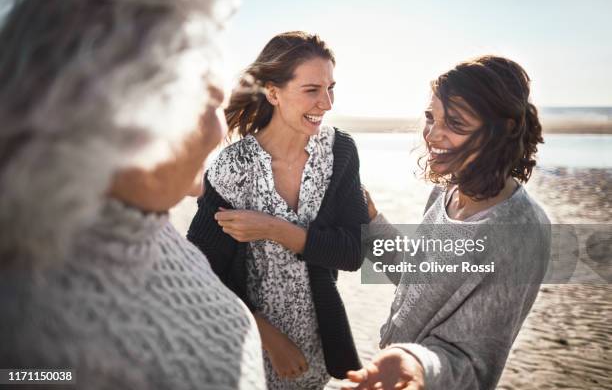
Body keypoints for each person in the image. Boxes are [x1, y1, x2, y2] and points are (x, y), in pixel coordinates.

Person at [0, 0, 266, 389]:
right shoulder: (32, 343)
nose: (220, 130)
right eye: (213, 102)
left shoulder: (145, 225)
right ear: (126, 114)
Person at [343, 56, 551, 390]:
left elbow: (475, 364)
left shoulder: (521, 232)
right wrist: (370, 218)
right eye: (430, 117)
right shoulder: (448, 190)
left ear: (505, 129)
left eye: (455, 123)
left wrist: (417, 365)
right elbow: (418, 275)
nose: (432, 135)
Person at [187, 31, 369, 389]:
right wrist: (266, 335)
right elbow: (201, 272)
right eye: (312, 90)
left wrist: (274, 229)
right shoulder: (233, 167)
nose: (327, 103)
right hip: (247, 350)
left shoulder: (340, 152)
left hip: (319, 348)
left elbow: (354, 252)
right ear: (273, 93)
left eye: (331, 88)